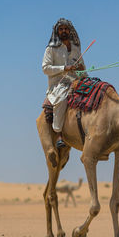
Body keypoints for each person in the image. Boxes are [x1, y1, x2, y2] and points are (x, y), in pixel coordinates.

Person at [42, 18, 86, 148]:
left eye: (66, 29)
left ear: (70, 30)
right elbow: (45, 68)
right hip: (59, 84)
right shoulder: (51, 49)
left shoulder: (76, 48)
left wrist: (81, 70)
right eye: (61, 29)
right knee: (62, 99)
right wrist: (64, 68)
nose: (64, 31)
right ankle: (59, 134)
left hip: (76, 80)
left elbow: (82, 67)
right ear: (57, 31)